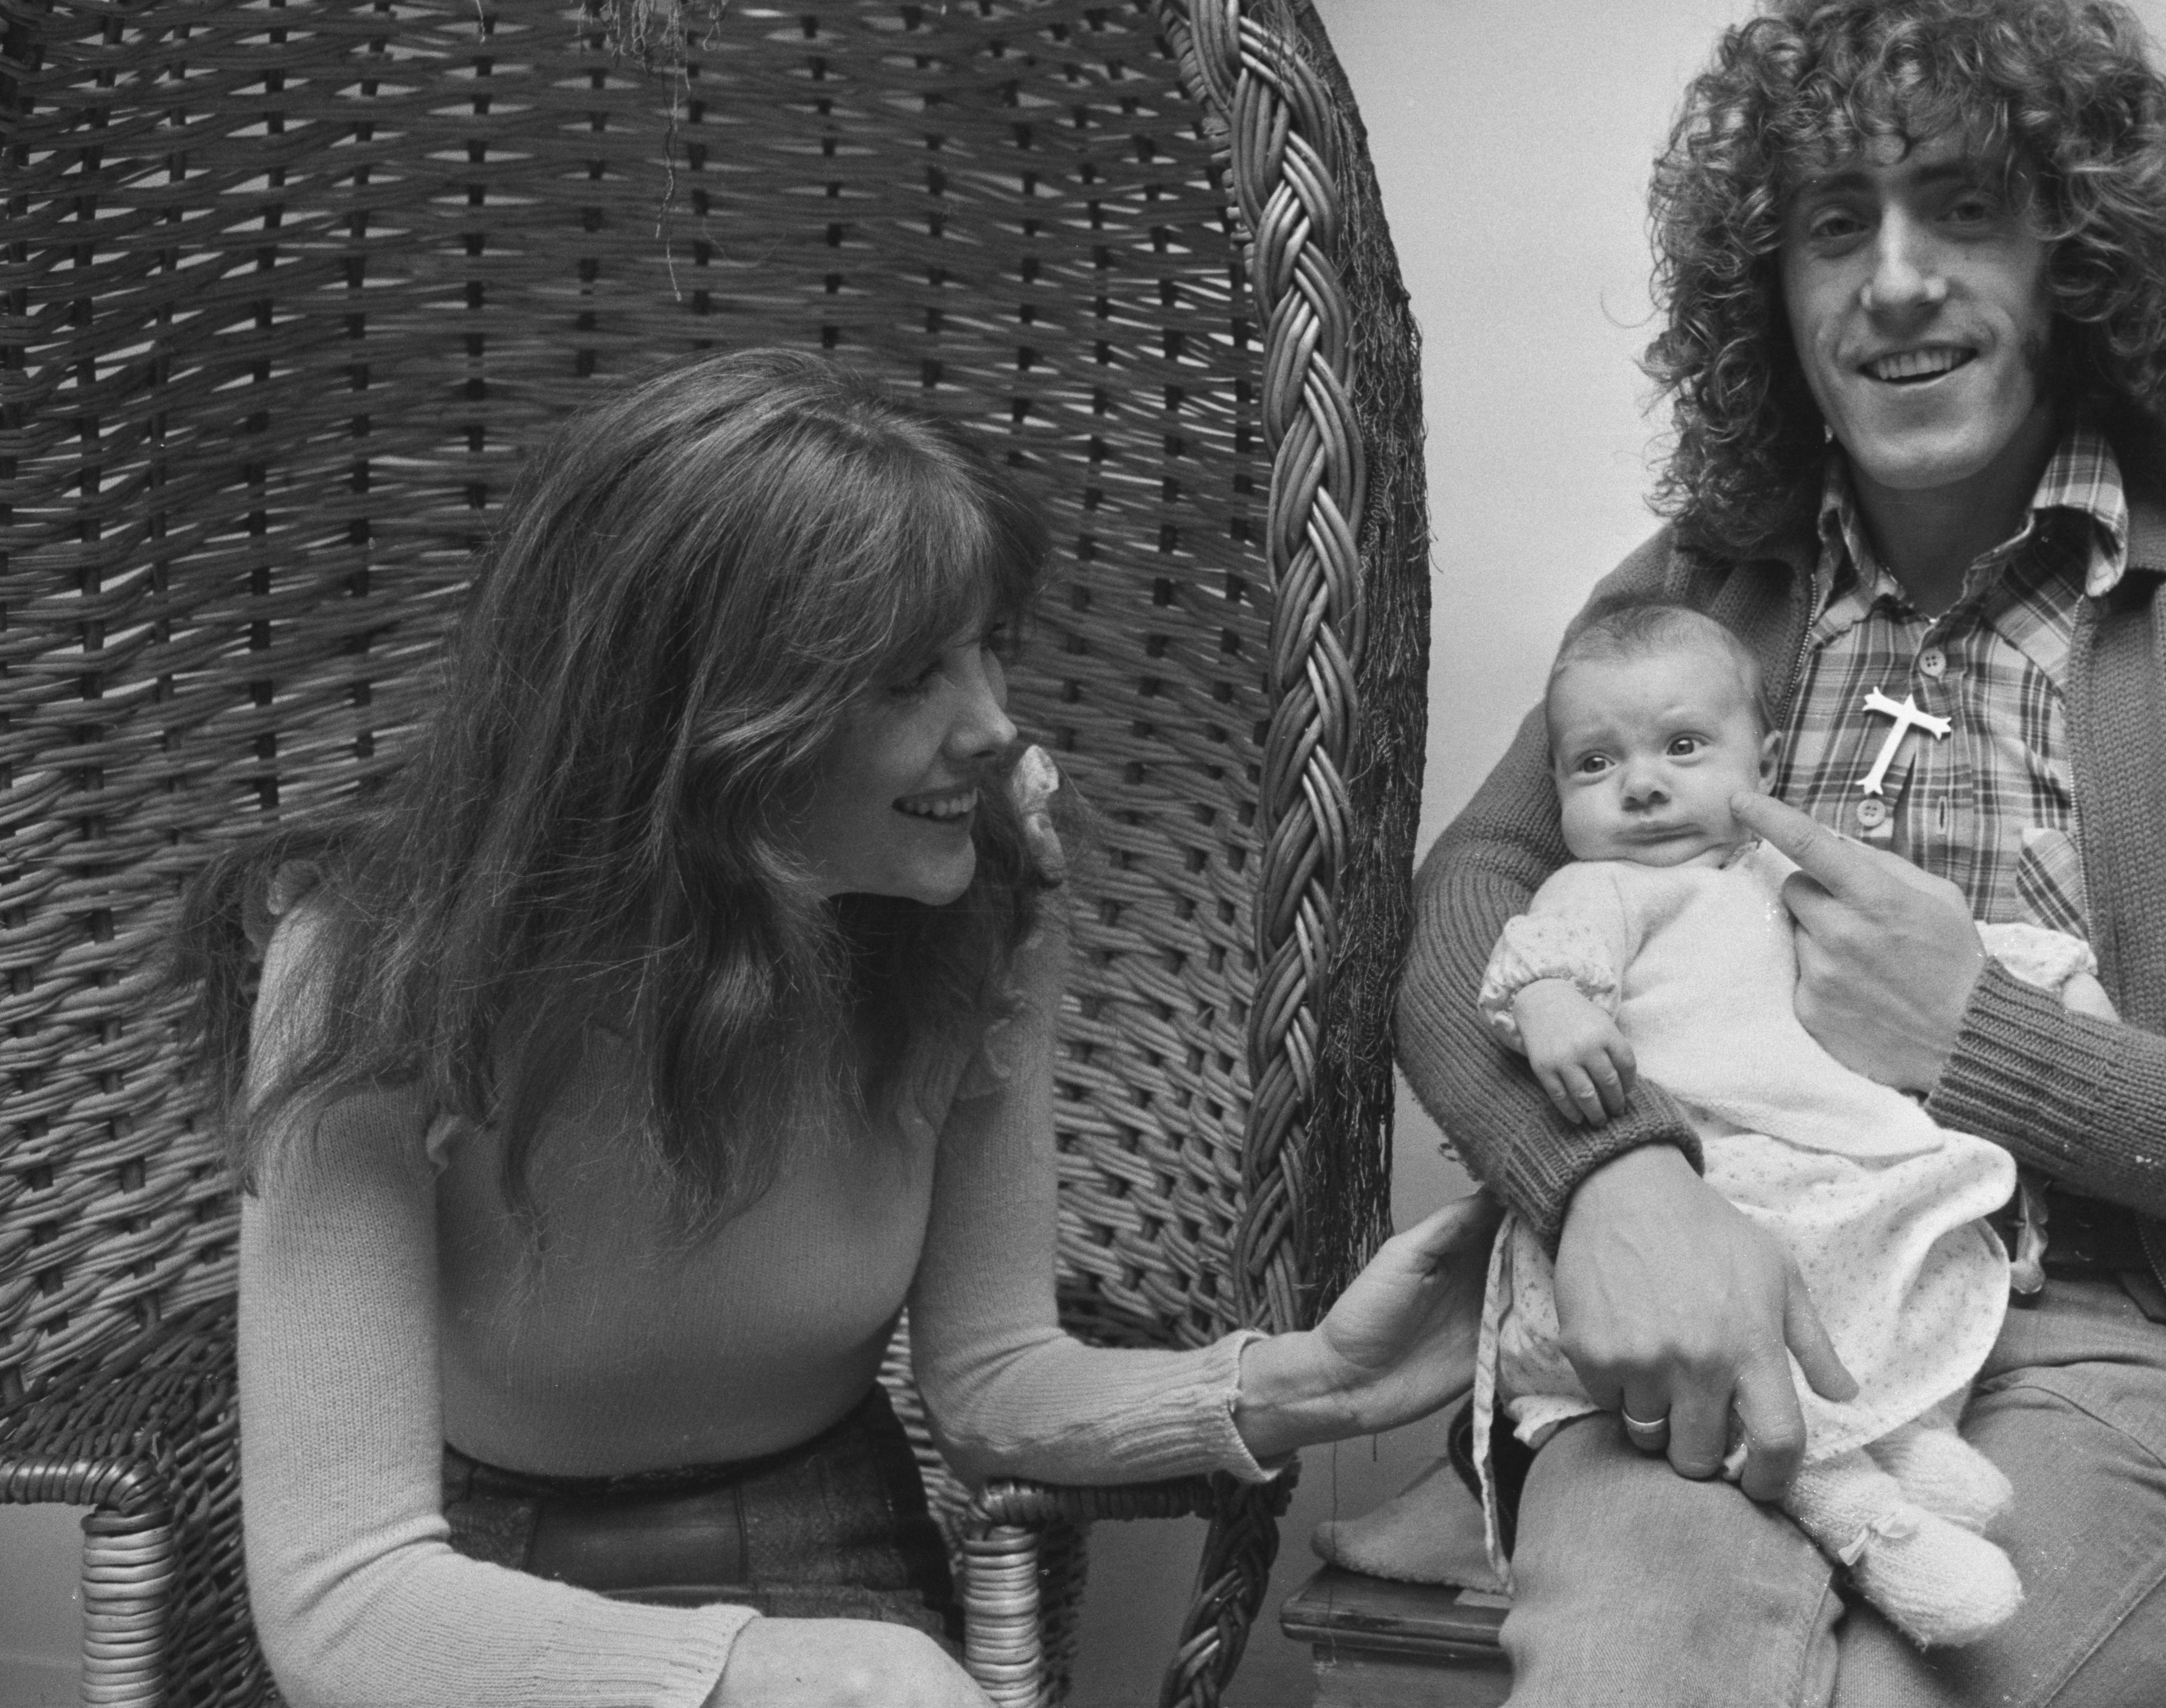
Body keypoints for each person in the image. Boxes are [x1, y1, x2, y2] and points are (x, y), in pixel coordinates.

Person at [1396, 0, 2166, 1708]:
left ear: (2078, 262)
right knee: (1638, 1671)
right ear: (1768, 293)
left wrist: (1992, 1050)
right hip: (1732, 1280)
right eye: (1834, 227)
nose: (1898, 283)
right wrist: (1610, 1180)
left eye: (1964, 212)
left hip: (2120, 1341)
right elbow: (1471, 913)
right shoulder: (1702, 600)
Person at [185, 349, 1492, 1708]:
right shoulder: (368, 969)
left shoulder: (977, 916)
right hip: (463, 1601)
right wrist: (750, 1669)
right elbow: (345, 1595)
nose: (995, 727)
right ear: (693, 717)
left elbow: (991, 1382)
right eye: (904, 677)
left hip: (831, 1544)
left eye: (990, 648)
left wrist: (1310, 1384)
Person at [1476, 601, 2117, 1649]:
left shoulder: (1789, 872)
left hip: (1806, 1156)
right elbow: (1546, 952)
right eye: (1594, 765)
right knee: (1759, 1321)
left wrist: (2056, 978)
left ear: (1763, 762)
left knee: (1910, 1238)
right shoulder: (1606, 885)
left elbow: (1945, 942)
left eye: (1684, 747)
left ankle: (1902, 1438)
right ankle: (1870, 1522)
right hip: (1704, 1175)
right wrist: (1551, 1006)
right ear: (1556, 793)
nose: (1641, 784)